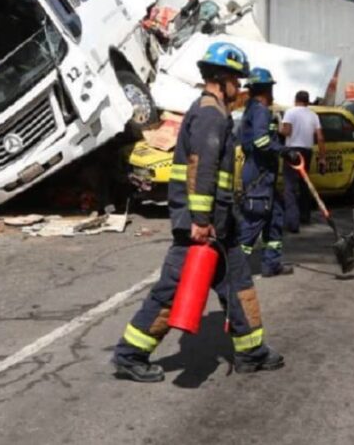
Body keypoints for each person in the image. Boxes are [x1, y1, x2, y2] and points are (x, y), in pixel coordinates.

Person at [111, 42, 284, 382]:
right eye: (237, 81)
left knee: (238, 284)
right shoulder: (210, 114)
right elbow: (201, 170)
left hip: (220, 226)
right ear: (222, 79)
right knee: (172, 290)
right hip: (200, 226)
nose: (240, 90)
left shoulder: (213, 111)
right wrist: (201, 222)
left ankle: (251, 351)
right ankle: (130, 355)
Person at [237, 66, 298, 277]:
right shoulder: (260, 110)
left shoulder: (253, 109)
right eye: (271, 89)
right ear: (265, 90)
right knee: (253, 223)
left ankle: (271, 264)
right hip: (259, 176)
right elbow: (262, 141)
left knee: (275, 217)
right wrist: (284, 152)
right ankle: (235, 269)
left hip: (265, 176)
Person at [280, 90, 327, 232]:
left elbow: (286, 132)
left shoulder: (290, 112)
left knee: (289, 187)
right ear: (307, 101)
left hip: (292, 151)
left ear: (296, 100)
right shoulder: (313, 115)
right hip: (307, 152)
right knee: (304, 183)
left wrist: (278, 128)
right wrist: (323, 158)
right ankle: (305, 216)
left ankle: (293, 223)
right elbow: (320, 138)